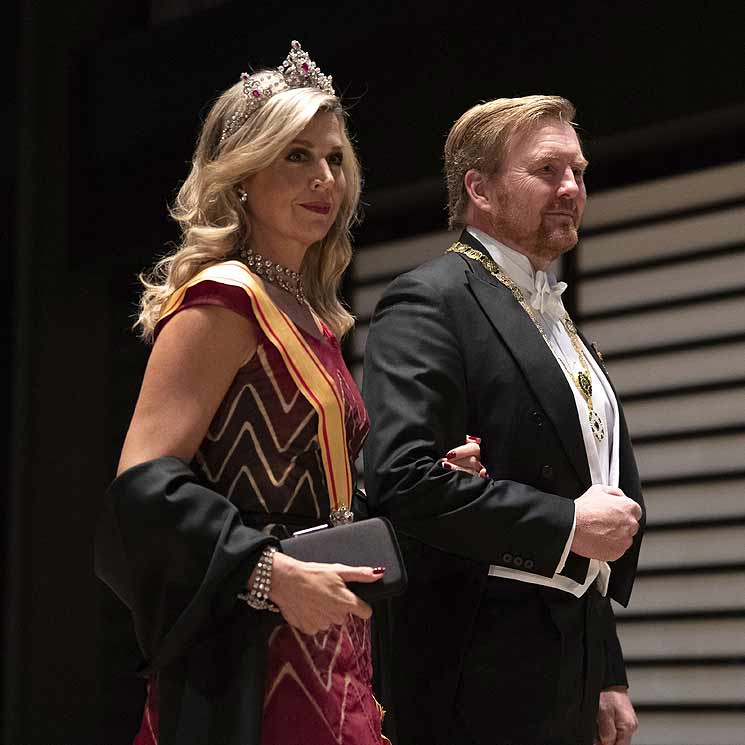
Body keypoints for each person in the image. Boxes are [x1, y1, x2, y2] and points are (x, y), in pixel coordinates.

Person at [94, 41, 484, 745]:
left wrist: (419, 488)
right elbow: (142, 486)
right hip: (251, 662)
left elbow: (307, 493)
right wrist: (266, 572)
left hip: (332, 647)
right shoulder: (223, 300)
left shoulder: (311, 313)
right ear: (242, 175)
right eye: (295, 155)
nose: (324, 178)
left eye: (335, 157)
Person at [361, 96, 645, 745]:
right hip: (475, 655)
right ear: (479, 188)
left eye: (577, 170)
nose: (571, 187)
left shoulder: (553, 315)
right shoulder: (429, 299)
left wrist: (605, 668)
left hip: (565, 650)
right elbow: (401, 478)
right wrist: (568, 522)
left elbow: (590, 487)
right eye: (546, 170)